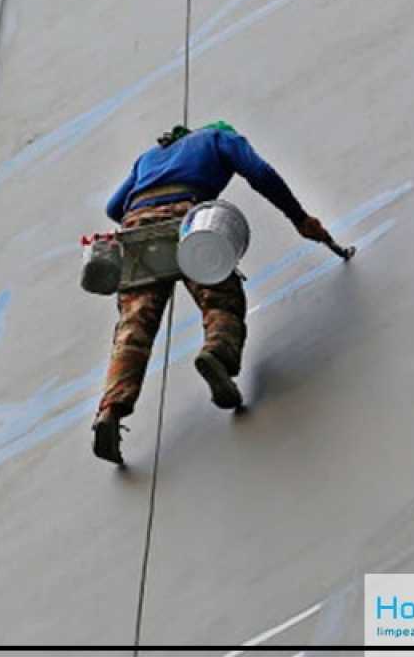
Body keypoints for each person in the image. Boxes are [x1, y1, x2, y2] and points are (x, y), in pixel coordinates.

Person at [92, 121, 355, 464]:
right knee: (222, 299)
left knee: (134, 327)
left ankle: (110, 410)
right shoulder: (218, 138)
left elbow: (114, 207)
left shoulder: (147, 159)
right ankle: (218, 354)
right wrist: (299, 218)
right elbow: (259, 173)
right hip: (186, 218)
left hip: (137, 229)